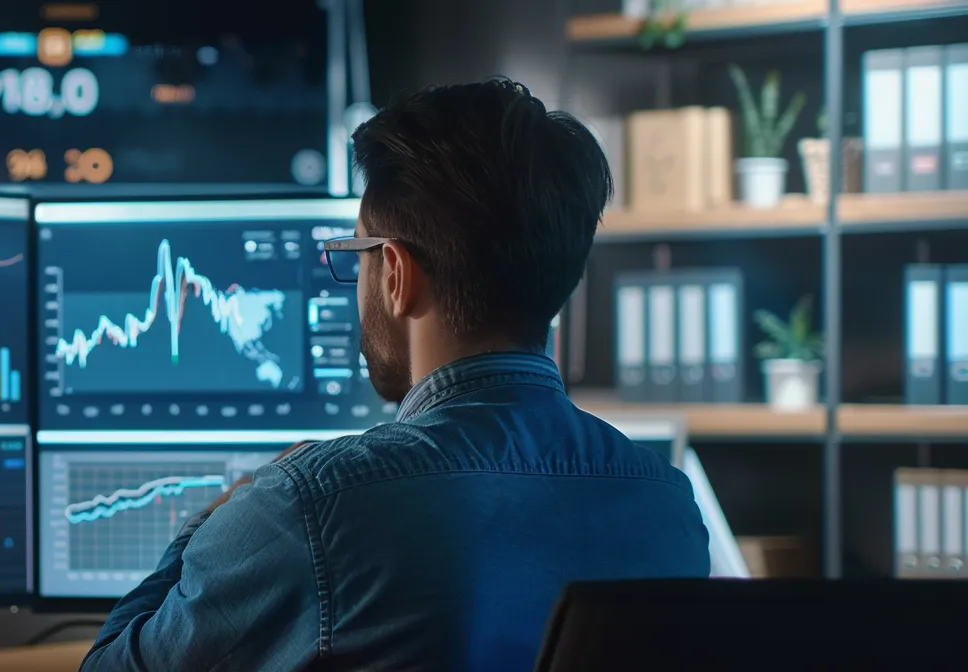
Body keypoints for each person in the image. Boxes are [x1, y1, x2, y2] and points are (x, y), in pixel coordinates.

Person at [79, 79, 710, 671]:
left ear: (396, 275)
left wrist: (218, 515)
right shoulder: (667, 507)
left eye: (354, 256)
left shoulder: (305, 507)